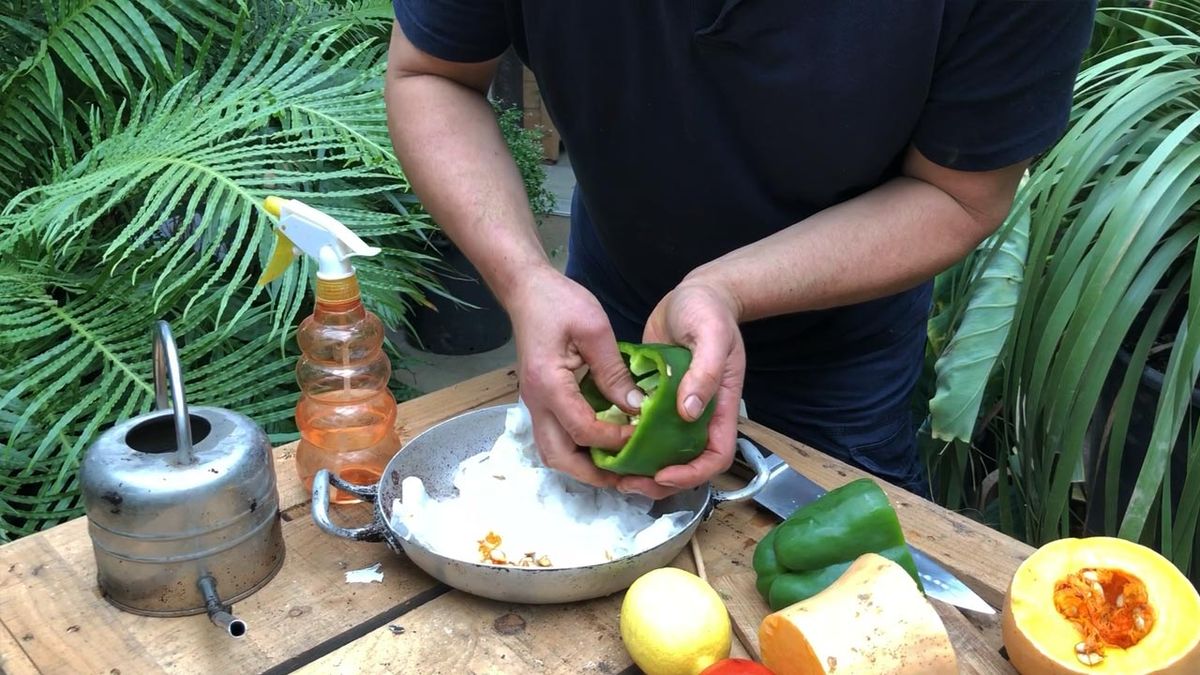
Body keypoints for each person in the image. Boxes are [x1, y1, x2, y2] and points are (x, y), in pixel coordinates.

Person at [382, 1, 1097, 500]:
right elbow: (431, 74)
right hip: (611, 307)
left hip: (840, 347)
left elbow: (959, 194)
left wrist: (726, 287)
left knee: (853, 598)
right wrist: (523, 277)